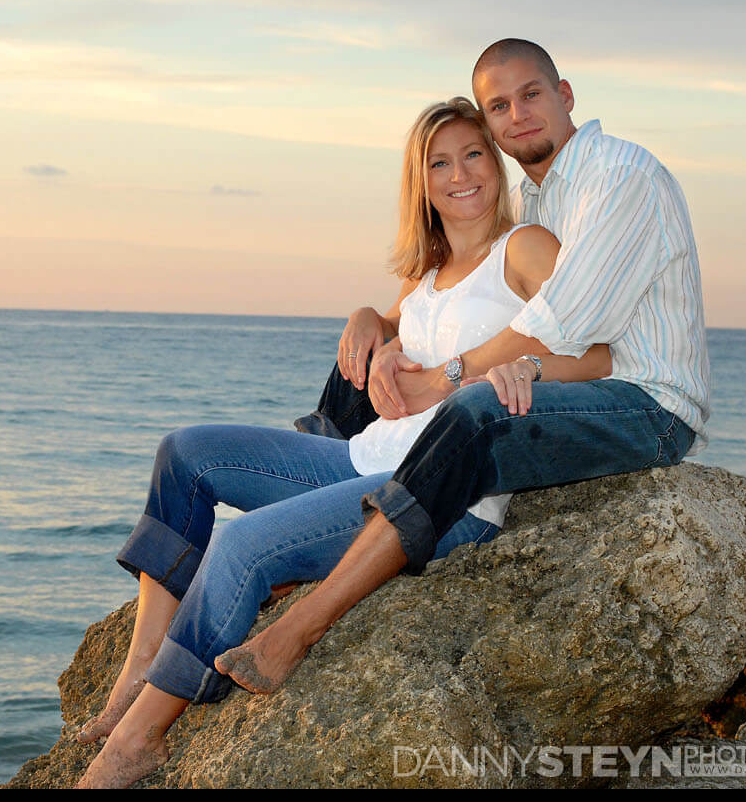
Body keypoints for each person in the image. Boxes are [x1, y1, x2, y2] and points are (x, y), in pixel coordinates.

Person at [76, 95, 614, 788]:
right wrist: (368, 317)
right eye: (439, 162)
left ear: (495, 162)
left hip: (441, 496)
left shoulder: (526, 247)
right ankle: (145, 654)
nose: (460, 174)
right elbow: (395, 322)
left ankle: (137, 738)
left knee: (242, 545)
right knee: (186, 453)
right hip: (360, 459)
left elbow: (601, 352)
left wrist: (490, 373)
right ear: (420, 183)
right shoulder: (428, 268)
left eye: (473, 154)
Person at [211, 38, 709, 704]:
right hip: (583, 387)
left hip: (644, 405)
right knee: (364, 372)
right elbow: (473, 313)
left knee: (471, 413)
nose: (517, 114)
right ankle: (316, 518)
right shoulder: (540, 199)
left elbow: (563, 322)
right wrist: (376, 327)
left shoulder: (617, 177)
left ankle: (301, 624)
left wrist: (445, 375)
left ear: (564, 96)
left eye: (530, 94)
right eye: (498, 105)